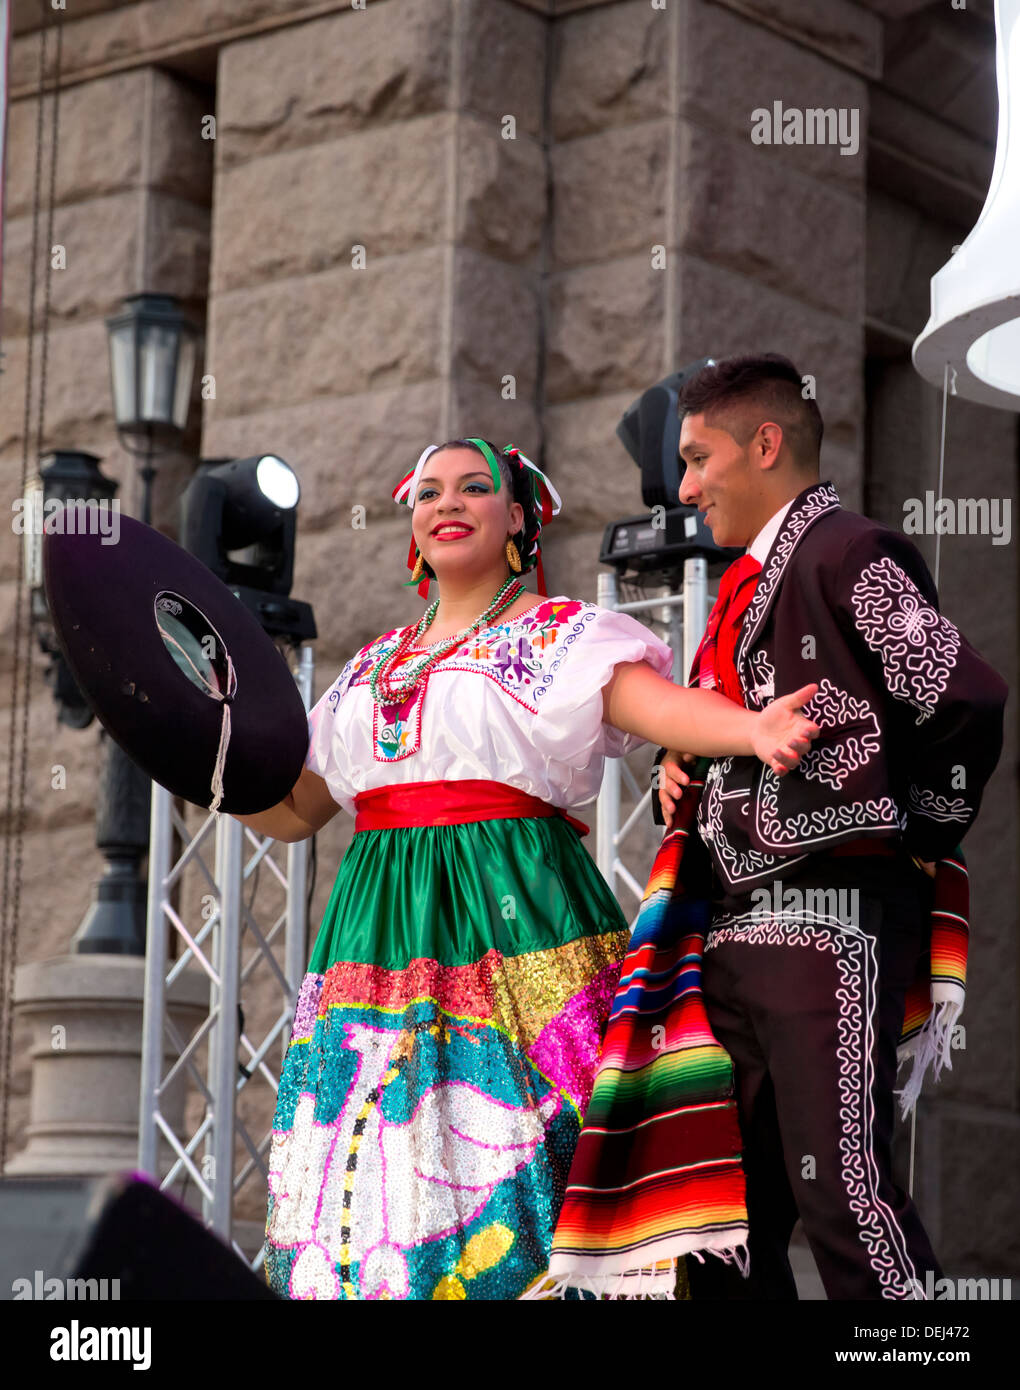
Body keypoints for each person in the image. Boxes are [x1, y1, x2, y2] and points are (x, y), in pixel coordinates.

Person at [235, 435, 821, 1302]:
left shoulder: (562, 636)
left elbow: (662, 709)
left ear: (516, 518)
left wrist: (754, 730)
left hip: (522, 921)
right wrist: (201, 759)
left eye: (475, 488)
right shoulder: (366, 670)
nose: (449, 503)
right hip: (376, 946)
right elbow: (290, 813)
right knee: (378, 1182)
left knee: (546, 1159)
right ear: (414, 527)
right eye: (429, 492)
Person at [643, 355, 1006, 1299]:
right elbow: (725, 729)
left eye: (697, 458)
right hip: (725, 932)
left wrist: (908, 834)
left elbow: (961, 698)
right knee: (720, 1227)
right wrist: (676, 767)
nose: (684, 489)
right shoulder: (739, 591)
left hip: (831, 928)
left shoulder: (851, 551)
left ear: (766, 444)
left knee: (844, 1197)